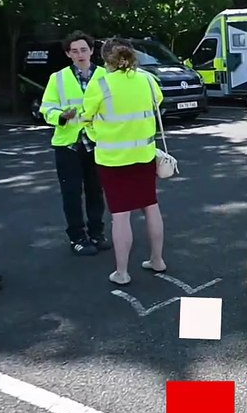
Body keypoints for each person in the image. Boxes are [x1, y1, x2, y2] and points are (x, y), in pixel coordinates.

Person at [84, 38, 167, 285]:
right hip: (144, 154)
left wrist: (97, 134)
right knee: (151, 206)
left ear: (105, 59)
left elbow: (85, 116)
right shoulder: (147, 79)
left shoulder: (100, 84)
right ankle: (157, 259)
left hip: (112, 159)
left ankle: (122, 272)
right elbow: (158, 102)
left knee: (120, 215)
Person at [40, 31, 109, 255]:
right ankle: (78, 237)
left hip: (96, 141)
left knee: (95, 191)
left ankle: (97, 233)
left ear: (91, 51)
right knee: (71, 192)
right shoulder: (57, 78)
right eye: (75, 51)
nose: (80, 54)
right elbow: (46, 108)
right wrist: (61, 116)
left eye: (84, 50)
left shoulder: (105, 75)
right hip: (68, 143)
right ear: (68, 54)